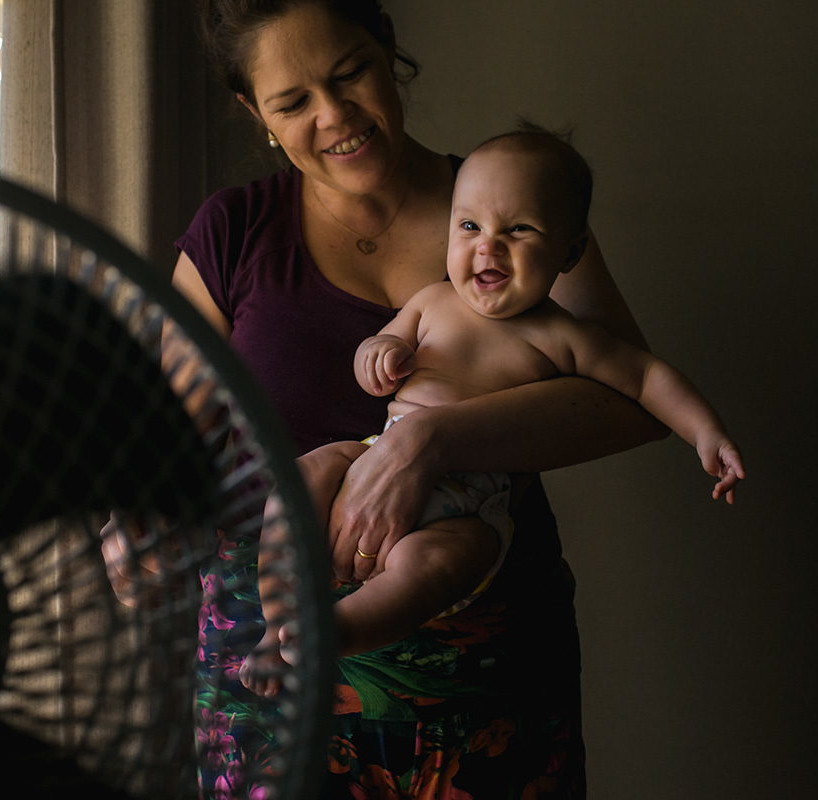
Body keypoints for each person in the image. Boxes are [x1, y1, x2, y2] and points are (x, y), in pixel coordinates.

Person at [111, 0, 673, 796]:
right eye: (293, 101)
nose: (335, 116)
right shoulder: (231, 231)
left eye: (350, 74)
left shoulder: (510, 207)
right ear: (255, 113)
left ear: (388, 49)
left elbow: (634, 399)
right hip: (273, 672)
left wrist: (431, 441)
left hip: (479, 662)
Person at [239, 127, 745, 699]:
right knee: (305, 474)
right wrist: (379, 355)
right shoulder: (432, 301)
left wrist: (707, 432)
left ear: (570, 252)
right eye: (470, 226)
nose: (488, 246)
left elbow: (647, 378)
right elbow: (373, 353)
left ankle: (331, 635)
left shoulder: (564, 336)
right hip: (376, 458)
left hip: (472, 501)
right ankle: (277, 625)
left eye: (519, 229)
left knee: (443, 563)